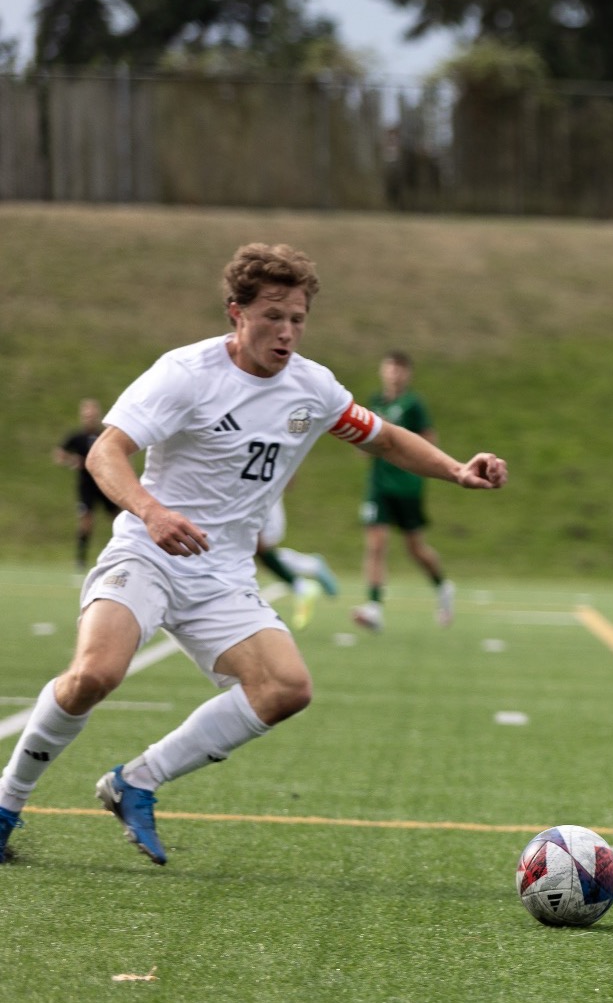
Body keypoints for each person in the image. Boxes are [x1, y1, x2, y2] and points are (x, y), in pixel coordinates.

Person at [0, 244, 508, 865]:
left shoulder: (313, 388)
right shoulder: (185, 373)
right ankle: (5, 805)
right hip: (149, 552)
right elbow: (106, 453)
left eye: (298, 318)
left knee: (286, 688)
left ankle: (135, 782)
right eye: (273, 316)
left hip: (222, 574)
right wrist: (152, 512)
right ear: (236, 313)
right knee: (95, 675)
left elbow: (384, 438)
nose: (287, 331)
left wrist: (457, 469)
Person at [351, 350, 453, 632]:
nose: (394, 374)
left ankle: (443, 587)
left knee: (415, 548)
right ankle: (373, 606)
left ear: (407, 373)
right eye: (389, 368)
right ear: (382, 371)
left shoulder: (413, 405)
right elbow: (365, 442)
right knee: (376, 543)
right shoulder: (375, 403)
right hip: (379, 485)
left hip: (407, 484)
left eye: (399, 369)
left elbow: (430, 442)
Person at [254, 493, 340, 631]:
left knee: (260, 547)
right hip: (250, 499)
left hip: (261, 499)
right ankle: (310, 569)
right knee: (256, 550)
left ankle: (303, 583)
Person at [54, 398, 120, 572]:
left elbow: (117, 453)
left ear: (98, 415)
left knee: (119, 519)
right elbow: (59, 454)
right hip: (86, 486)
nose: (89, 417)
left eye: (92, 414)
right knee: (86, 522)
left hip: (105, 484)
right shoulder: (77, 437)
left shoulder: (103, 436)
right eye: (86, 415)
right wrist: (72, 460)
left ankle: (121, 555)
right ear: (82, 416)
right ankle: (80, 560)